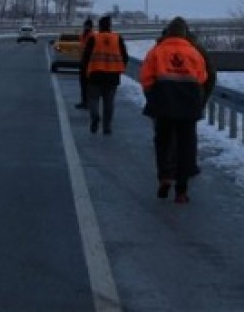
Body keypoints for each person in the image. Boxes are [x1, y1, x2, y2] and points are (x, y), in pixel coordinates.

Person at [140, 16, 214, 203]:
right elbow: (202, 78)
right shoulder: (194, 52)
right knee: (185, 147)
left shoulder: (157, 51)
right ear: (184, 33)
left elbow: (146, 78)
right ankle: (181, 190)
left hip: (163, 105)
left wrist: (153, 96)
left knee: (163, 143)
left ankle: (165, 177)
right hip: (188, 108)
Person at [80, 14, 128, 135]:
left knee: (93, 99)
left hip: (95, 74)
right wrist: (119, 69)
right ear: (110, 26)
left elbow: (86, 57)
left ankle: (95, 116)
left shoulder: (94, 38)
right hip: (112, 76)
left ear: (100, 26)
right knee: (109, 102)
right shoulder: (117, 38)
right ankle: (107, 127)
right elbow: (124, 57)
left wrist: (84, 73)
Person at [74, 17, 94, 109]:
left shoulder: (92, 36)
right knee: (83, 84)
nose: (85, 27)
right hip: (83, 62)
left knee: (88, 84)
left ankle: (88, 103)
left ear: (90, 27)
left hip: (90, 63)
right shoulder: (83, 36)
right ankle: (84, 101)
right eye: (85, 26)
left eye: (87, 26)